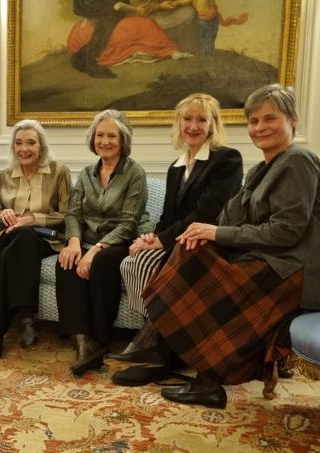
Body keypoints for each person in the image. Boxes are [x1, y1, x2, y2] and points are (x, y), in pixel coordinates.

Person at [112, 84, 320, 409]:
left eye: (269, 119)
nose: (260, 128)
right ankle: (186, 366)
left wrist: (216, 233)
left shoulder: (298, 160)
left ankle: (160, 345)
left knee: (208, 274)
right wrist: (210, 229)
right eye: (253, 121)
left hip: (302, 270)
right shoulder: (261, 169)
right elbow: (234, 218)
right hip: (277, 261)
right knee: (194, 248)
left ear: (293, 120)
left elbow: (286, 232)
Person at [114, 93, 242, 363]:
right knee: (131, 262)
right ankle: (162, 336)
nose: (193, 126)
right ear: (179, 123)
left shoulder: (227, 159)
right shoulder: (176, 167)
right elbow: (167, 218)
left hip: (209, 241)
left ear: (213, 125)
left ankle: (152, 340)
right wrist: (150, 237)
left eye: (201, 120)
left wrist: (161, 240)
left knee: (153, 264)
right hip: (179, 238)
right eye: (187, 119)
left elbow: (207, 214)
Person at [56, 109, 149, 375]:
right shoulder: (86, 173)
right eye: (99, 135)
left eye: (111, 136)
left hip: (118, 240)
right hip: (86, 238)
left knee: (102, 264)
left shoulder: (135, 174)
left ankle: (101, 339)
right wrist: (73, 242)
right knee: (65, 262)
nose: (104, 141)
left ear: (123, 141)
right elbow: (73, 213)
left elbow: (129, 222)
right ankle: (82, 341)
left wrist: (95, 250)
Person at [0, 120, 71, 361]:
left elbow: (67, 216)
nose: (24, 149)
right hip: (7, 235)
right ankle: (26, 317)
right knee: (19, 237)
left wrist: (34, 219)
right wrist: (4, 215)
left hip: (43, 239)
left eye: (31, 142)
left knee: (22, 239)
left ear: (41, 146)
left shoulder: (59, 171)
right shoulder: (4, 175)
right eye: (19, 143)